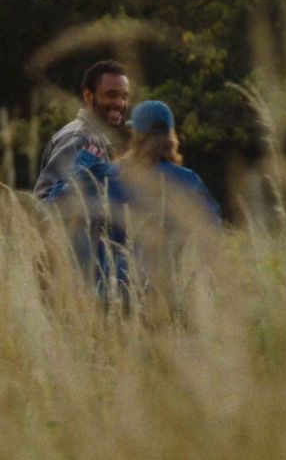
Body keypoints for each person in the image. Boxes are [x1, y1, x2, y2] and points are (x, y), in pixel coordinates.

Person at [40, 99, 219, 301]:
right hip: (163, 297)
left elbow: (54, 205)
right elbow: (211, 229)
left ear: (137, 135)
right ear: (171, 136)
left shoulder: (107, 175)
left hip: (108, 296)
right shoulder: (189, 181)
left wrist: (81, 170)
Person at [33, 60, 131, 200]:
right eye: (111, 95)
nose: (120, 103)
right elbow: (43, 202)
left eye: (124, 96)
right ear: (88, 96)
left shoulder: (99, 139)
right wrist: (77, 184)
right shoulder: (77, 139)